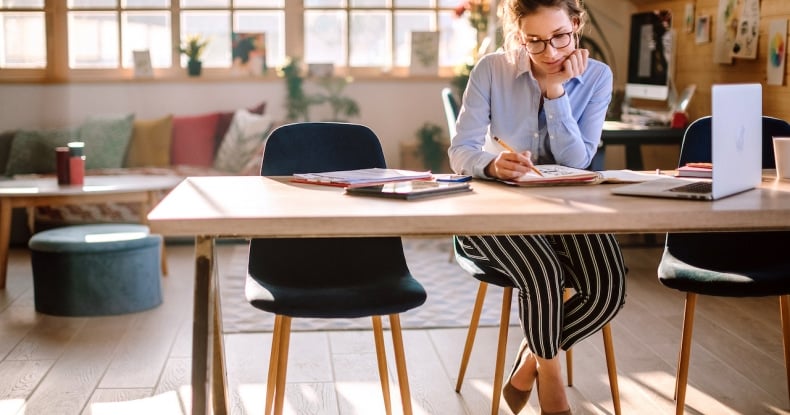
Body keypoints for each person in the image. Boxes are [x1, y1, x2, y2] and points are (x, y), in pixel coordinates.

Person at [448, 0, 627, 414]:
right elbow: (460, 151)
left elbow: (577, 160)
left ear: (577, 26)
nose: (550, 52)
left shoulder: (597, 76)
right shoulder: (492, 69)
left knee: (608, 287)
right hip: (496, 211)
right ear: (518, 35)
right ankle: (553, 384)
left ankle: (529, 363)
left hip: (566, 209)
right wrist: (491, 163)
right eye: (535, 41)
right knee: (543, 272)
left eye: (560, 37)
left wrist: (555, 91)